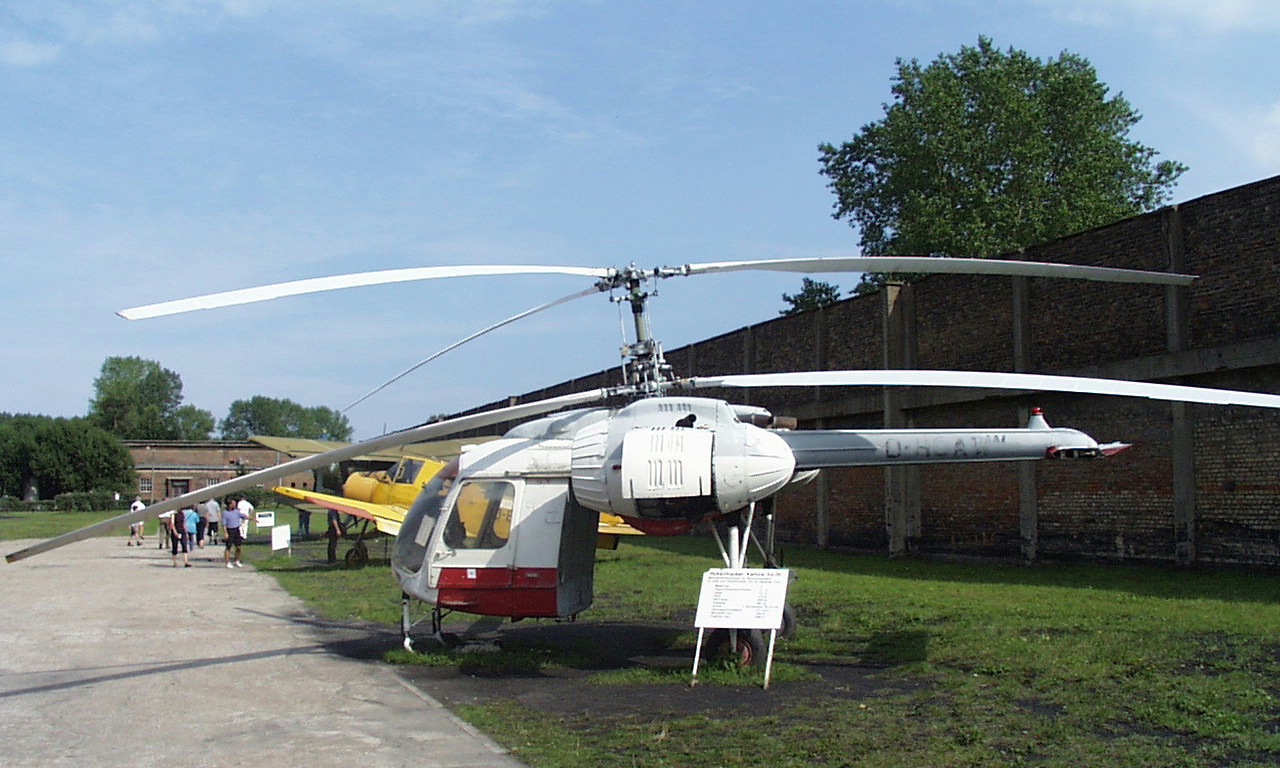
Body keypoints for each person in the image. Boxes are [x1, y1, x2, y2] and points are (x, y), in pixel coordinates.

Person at [222, 498, 249, 568]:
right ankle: (227, 562)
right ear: (229, 505)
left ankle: (237, 560)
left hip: (236, 530)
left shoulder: (236, 511)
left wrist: (252, 518)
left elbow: (244, 516)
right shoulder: (225, 513)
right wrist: (225, 533)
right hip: (230, 530)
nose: (235, 505)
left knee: (239, 547)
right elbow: (224, 524)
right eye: (233, 504)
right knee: (228, 547)